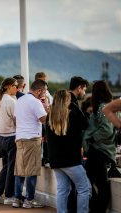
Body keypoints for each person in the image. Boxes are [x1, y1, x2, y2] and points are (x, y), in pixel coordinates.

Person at [46, 90, 91, 213]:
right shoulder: (72, 115)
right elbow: (85, 124)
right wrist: (75, 106)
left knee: (62, 189)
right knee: (84, 188)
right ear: (67, 101)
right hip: (71, 160)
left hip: (55, 160)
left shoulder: (49, 117)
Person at [13, 79, 49, 208]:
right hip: (32, 138)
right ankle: (29, 199)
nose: (44, 94)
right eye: (44, 91)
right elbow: (44, 120)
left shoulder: (20, 100)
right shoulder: (35, 102)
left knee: (20, 169)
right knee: (32, 170)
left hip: (20, 138)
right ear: (39, 90)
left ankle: (17, 198)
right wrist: (47, 108)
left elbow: (15, 120)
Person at [83, 80, 116, 213]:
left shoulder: (104, 108)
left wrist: (92, 138)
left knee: (99, 184)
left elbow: (107, 130)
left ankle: (98, 209)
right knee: (88, 183)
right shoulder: (109, 106)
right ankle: (96, 208)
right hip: (101, 150)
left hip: (99, 151)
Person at [0, 78, 18, 204]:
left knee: (5, 167)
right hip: (12, 137)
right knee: (11, 168)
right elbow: (17, 119)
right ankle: (9, 196)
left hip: (1, 137)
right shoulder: (11, 101)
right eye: (16, 86)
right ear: (9, 86)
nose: (17, 88)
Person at [67, 76, 90, 212]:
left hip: (60, 154)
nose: (85, 93)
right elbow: (83, 124)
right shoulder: (73, 104)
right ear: (79, 87)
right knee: (82, 187)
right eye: (84, 89)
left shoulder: (65, 102)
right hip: (71, 152)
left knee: (65, 189)